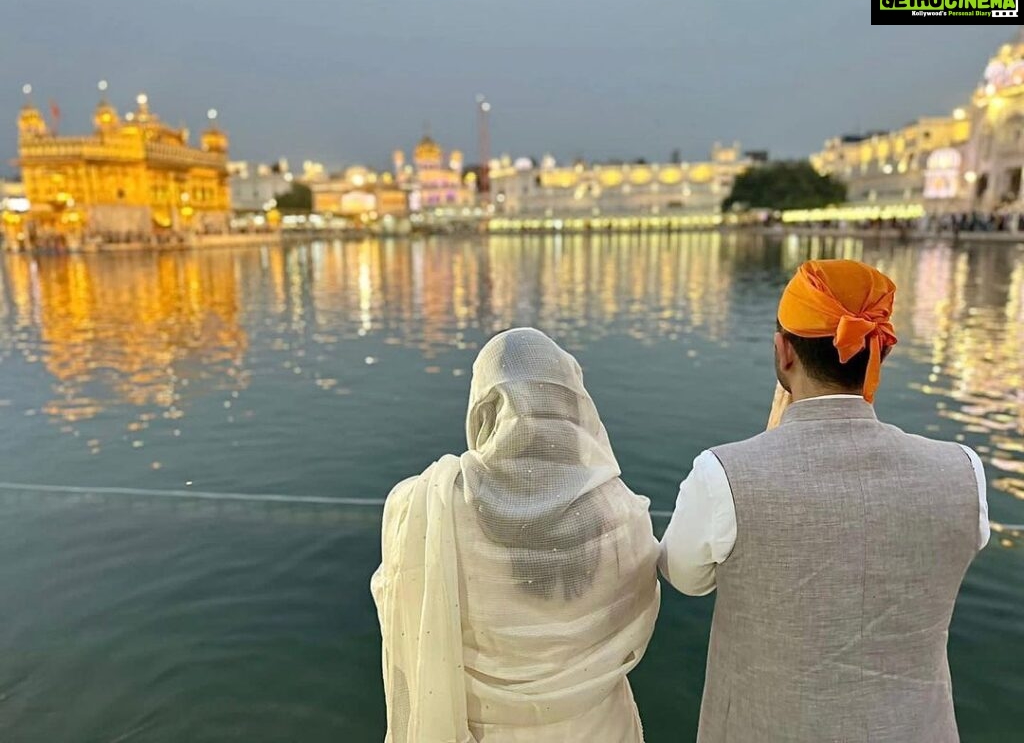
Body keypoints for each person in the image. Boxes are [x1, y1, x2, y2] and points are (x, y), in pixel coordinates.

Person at [660, 259, 989, 743]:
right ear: (879, 352)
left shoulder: (724, 474)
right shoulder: (964, 470)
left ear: (783, 351)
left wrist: (765, 447)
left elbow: (684, 576)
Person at [371, 328, 660, 743]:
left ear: (483, 408)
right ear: (573, 407)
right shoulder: (622, 515)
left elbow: (403, 628)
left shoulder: (424, 505)